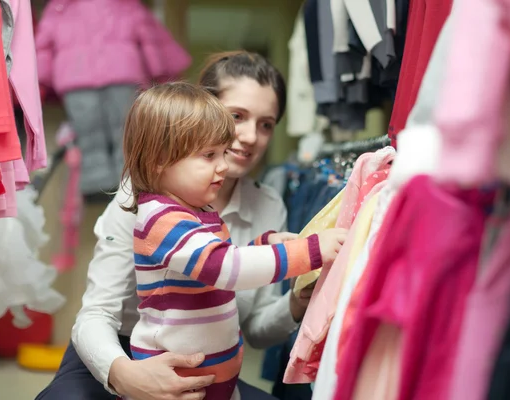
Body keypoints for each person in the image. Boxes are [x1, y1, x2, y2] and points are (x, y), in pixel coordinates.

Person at [36, 52, 323, 400]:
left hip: (205, 365)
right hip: (121, 350)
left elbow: (256, 328)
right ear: (202, 113)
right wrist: (126, 375)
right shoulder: (141, 198)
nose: (250, 137)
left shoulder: (268, 205)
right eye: (237, 117)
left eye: (266, 124)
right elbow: (97, 313)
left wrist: (296, 302)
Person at [120, 82, 345, 400]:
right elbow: (225, 268)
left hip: (215, 382)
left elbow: (217, 259)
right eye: (209, 155)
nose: (223, 166)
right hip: (172, 387)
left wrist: (263, 245)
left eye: (222, 153)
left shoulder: (198, 209)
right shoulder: (161, 219)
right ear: (160, 160)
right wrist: (309, 251)